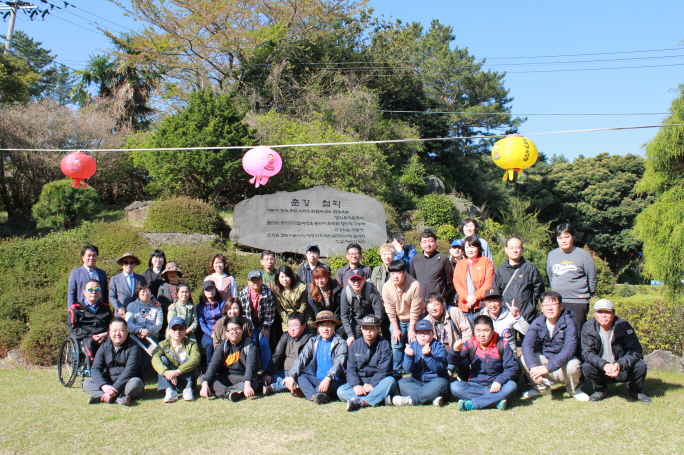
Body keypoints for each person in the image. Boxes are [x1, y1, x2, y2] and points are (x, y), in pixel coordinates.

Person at [521, 291, 590, 401]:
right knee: (524, 358)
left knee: (574, 364)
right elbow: (527, 344)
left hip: (563, 367)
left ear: (561, 306)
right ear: (542, 308)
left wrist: (547, 367)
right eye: (546, 305)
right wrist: (533, 368)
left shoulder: (569, 322)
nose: (550, 308)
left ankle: (574, 390)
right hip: (546, 363)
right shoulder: (537, 322)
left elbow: (569, 349)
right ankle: (541, 388)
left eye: (553, 304)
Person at [581, 299, 650, 402]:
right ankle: (600, 390)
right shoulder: (588, 327)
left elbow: (635, 350)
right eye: (600, 312)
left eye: (607, 312)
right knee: (586, 366)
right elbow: (587, 353)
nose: (603, 315)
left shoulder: (624, 326)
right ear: (595, 313)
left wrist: (620, 364)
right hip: (602, 369)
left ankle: (635, 391)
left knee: (640, 366)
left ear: (613, 313)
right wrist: (604, 365)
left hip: (622, 369)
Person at [448, 315, 519, 411]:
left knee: (511, 386)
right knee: (455, 387)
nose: (482, 334)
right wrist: (455, 350)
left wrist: (499, 381)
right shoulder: (470, 343)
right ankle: (495, 401)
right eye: (478, 330)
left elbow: (512, 368)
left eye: (486, 330)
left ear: (493, 330)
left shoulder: (502, 344)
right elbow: (453, 361)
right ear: (474, 331)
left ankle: (473, 404)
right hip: (474, 386)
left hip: (496, 385)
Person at [284, 311, 348, 404]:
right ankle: (316, 396)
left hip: (333, 380)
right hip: (317, 379)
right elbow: (301, 358)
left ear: (334, 326)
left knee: (325, 387)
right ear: (318, 328)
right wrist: (291, 376)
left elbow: (338, 364)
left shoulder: (341, 343)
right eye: (322, 326)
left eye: (328, 325)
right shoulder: (313, 341)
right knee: (300, 376)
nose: (325, 329)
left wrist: (328, 379)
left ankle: (313, 394)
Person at [338, 314, 397, 411]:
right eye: (365, 328)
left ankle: (361, 402)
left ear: (378, 329)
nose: (368, 331)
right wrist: (356, 385)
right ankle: (377, 398)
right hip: (360, 383)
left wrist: (372, 385)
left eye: (372, 328)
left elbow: (384, 370)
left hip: (377, 383)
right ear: (361, 329)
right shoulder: (355, 345)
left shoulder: (384, 344)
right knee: (341, 391)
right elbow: (350, 369)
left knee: (390, 381)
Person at [547, 222, 597, 333]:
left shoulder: (583, 255)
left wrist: (588, 293)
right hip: (558, 301)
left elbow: (592, 276)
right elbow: (550, 276)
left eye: (567, 237)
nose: (563, 240)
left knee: (576, 333)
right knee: (559, 334)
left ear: (572, 237)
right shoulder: (552, 255)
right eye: (560, 238)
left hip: (578, 301)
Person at [83, 317, 143, 406]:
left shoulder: (134, 347)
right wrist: (103, 386)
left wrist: (114, 388)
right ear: (110, 333)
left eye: (121, 331)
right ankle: (118, 399)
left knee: (136, 383)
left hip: (126, 382)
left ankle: (101, 397)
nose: (117, 334)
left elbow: (130, 371)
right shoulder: (104, 347)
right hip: (109, 382)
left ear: (126, 332)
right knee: (87, 383)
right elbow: (95, 368)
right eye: (114, 331)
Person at [392, 319, 449, 407]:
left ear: (432, 334)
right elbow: (407, 369)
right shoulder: (412, 346)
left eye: (426, 332)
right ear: (415, 335)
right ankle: (431, 397)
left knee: (442, 383)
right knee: (402, 382)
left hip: (435, 381)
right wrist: (409, 357)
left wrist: (428, 356)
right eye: (419, 333)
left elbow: (437, 368)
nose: (422, 335)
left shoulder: (439, 347)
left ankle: (411, 400)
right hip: (418, 381)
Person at [382, 259, 424, 377]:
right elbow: (389, 310)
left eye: (398, 273)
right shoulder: (386, 287)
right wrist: (396, 329)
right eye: (392, 273)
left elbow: (415, 309)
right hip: (397, 319)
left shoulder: (414, 285)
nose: (395, 276)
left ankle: (416, 370)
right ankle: (396, 370)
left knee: (415, 342)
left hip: (414, 318)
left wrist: (412, 329)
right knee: (396, 342)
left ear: (404, 272)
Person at [199, 317, 259, 401]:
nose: (234, 332)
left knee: (253, 383)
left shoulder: (250, 344)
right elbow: (213, 364)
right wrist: (205, 384)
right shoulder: (223, 345)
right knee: (204, 379)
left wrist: (247, 384)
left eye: (237, 328)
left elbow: (251, 366)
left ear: (242, 330)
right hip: (225, 377)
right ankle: (231, 392)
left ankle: (225, 391)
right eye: (231, 329)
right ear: (226, 333)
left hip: (242, 377)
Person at [494, 236, 545, 325]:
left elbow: (539, 291)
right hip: (506, 315)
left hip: (526, 315)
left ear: (522, 249)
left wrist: (533, 306)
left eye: (517, 248)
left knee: (527, 339)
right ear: (506, 250)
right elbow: (496, 292)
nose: (514, 250)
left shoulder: (530, 269)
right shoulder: (500, 271)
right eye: (511, 248)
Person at [262, 312, 313, 396]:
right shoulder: (285, 336)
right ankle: (289, 385)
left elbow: (303, 362)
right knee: (265, 378)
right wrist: (268, 373)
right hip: (283, 372)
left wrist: (291, 376)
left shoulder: (309, 339)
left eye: (295, 325)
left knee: (300, 380)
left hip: (299, 373)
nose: (292, 329)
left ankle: (273, 388)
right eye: (289, 325)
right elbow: (277, 355)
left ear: (303, 326)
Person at [152, 317, 201, 403]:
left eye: (180, 328)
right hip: (169, 379)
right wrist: (166, 372)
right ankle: (169, 390)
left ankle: (188, 389)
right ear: (169, 330)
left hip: (186, 379)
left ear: (185, 330)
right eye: (174, 328)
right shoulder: (163, 344)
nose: (177, 331)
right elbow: (155, 358)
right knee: (162, 359)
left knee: (189, 360)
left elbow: (196, 359)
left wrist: (178, 371)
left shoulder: (192, 344)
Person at [421, 293, 472, 377]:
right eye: (430, 305)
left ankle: (460, 374)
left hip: (457, 348)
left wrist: (463, 346)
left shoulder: (454, 312)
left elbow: (467, 330)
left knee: (464, 362)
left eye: (436, 304)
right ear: (426, 308)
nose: (434, 308)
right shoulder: (426, 321)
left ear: (443, 305)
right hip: (438, 352)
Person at [68, 279, 112, 362]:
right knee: (90, 342)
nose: (94, 292)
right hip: (86, 337)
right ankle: (93, 366)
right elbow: (73, 327)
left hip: (104, 335)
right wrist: (91, 335)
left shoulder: (106, 308)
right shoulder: (76, 308)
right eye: (90, 289)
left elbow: (113, 324)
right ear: (84, 292)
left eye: (97, 289)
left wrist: (106, 334)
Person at [239, 270, 276, 371]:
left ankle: (266, 369)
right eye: (253, 280)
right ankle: (253, 368)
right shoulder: (243, 293)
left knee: (264, 343)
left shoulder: (267, 293)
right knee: (252, 343)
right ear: (249, 282)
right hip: (250, 324)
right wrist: (248, 327)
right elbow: (243, 312)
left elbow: (270, 312)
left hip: (264, 323)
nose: (256, 283)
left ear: (261, 280)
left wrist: (265, 327)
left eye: (258, 280)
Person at [454, 236, 494, 325]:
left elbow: (488, 282)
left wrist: (475, 297)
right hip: (464, 306)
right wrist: (467, 297)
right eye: (467, 247)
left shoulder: (486, 261)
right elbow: (456, 282)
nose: (470, 250)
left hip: (481, 306)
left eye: (473, 246)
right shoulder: (460, 264)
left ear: (478, 248)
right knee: (468, 334)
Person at [477, 287, 530, 354]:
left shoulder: (510, 315)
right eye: (489, 302)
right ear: (485, 303)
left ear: (501, 301)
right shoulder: (481, 317)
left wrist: (518, 317)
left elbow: (527, 332)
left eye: (495, 301)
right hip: (490, 355)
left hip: (509, 354)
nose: (493, 305)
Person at [125, 282, 163, 370]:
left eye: (148, 291)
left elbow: (158, 324)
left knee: (153, 350)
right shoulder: (131, 306)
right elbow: (129, 323)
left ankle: (143, 370)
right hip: (135, 336)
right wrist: (140, 330)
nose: (146, 294)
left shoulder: (157, 307)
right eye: (143, 291)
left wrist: (147, 331)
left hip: (151, 335)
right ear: (138, 292)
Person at [340, 271, 384, 346]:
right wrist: (350, 335)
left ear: (364, 280)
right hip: (356, 322)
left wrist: (375, 328)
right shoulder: (345, 292)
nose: (356, 282)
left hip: (372, 321)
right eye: (353, 280)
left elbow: (379, 312)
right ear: (349, 281)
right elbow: (344, 315)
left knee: (373, 342)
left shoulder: (371, 291)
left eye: (359, 280)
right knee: (353, 343)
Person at [409, 229, 454, 302]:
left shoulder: (443, 258)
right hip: (420, 300)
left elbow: (449, 281)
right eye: (424, 242)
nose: (428, 244)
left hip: (438, 301)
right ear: (420, 244)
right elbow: (412, 280)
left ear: (435, 243)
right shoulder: (415, 260)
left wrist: (443, 295)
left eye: (431, 241)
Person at [67, 244, 108, 310]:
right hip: (81, 310)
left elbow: (105, 293)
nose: (91, 258)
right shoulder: (76, 273)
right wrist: (71, 311)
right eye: (89, 255)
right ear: (83, 257)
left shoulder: (102, 273)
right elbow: (72, 293)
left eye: (94, 255)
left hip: (99, 310)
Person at [308, 266, 345, 337]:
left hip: (338, 321)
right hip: (323, 320)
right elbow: (317, 310)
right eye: (317, 278)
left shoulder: (337, 289)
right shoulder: (313, 289)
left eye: (322, 277)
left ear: (327, 277)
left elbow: (338, 310)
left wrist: (332, 326)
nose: (320, 281)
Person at [273, 265, 311, 331]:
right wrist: (286, 318)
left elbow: (304, 305)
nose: (285, 279)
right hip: (287, 318)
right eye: (282, 277)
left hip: (303, 316)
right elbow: (278, 307)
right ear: (278, 278)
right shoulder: (276, 291)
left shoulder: (301, 287)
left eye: (287, 276)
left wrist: (296, 318)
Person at [197, 280, 226, 364]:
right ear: (204, 292)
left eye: (212, 289)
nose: (210, 291)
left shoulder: (222, 304)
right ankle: (210, 366)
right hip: (206, 333)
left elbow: (224, 319)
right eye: (207, 289)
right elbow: (202, 323)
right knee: (210, 343)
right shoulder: (200, 307)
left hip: (220, 331)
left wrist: (218, 332)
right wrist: (211, 333)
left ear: (215, 290)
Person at [109, 252, 146, 317]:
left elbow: (146, 292)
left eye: (131, 262)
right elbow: (111, 296)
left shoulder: (141, 278)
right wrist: (119, 307)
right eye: (126, 262)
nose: (129, 265)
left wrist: (153, 299)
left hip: (137, 313)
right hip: (121, 314)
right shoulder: (115, 279)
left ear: (135, 264)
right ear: (122, 264)